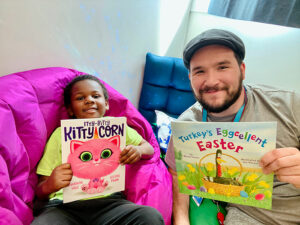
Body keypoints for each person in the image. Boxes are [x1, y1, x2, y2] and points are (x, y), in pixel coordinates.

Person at [165, 29, 300, 225]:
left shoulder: (289, 104)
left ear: (242, 70)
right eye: (200, 71)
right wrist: (182, 220)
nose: (211, 81)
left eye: (222, 67)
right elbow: (178, 175)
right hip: (251, 217)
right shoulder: (186, 126)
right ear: (190, 78)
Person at [32, 75, 164, 225]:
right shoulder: (60, 134)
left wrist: (138, 151)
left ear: (106, 104)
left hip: (110, 204)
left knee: (149, 216)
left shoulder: (116, 127)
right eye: (80, 98)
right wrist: (50, 184)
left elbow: (149, 148)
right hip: (63, 208)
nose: (89, 100)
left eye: (95, 96)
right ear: (70, 109)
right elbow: (40, 189)